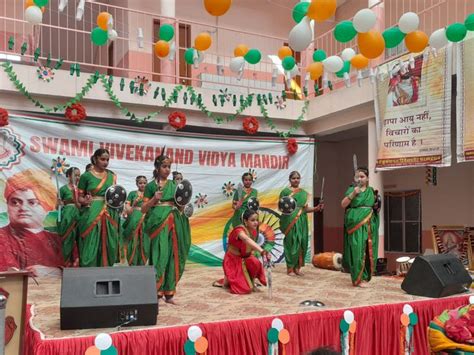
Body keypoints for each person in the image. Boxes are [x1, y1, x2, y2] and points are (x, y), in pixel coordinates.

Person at [142, 151, 191, 304]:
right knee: (159, 255)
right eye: (164, 166)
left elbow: (180, 206)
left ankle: (169, 293)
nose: (167, 170)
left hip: (174, 223)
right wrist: (153, 200)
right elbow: (144, 209)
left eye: (169, 167)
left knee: (173, 256)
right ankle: (155, 292)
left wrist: (183, 206)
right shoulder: (150, 186)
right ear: (157, 168)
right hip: (157, 222)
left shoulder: (174, 185)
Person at [0, 169, 63, 270]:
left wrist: (55, 272)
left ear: (46, 207)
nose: (23, 208)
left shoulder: (59, 242)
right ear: (7, 206)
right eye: (15, 202)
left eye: (32, 202)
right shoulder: (1, 238)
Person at [77, 148, 120, 267]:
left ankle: (106, 272)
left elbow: (115, 195)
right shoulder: (86, 176)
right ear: (95, 159)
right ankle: (89, 273)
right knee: (90, 242)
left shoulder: (112, 176)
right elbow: (79, 198)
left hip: (110, 211)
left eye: (107, 159)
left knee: (109, 243)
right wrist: (85, 201)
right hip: (92, 210)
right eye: (102, 159)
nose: (105, 162)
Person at [340, 167, 380, 287]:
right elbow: (343, 205)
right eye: (357, 176)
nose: (360, 179)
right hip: (356, 225)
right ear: (354, 178)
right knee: (357, 251)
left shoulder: (371, 191)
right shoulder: (352, 189)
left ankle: (365, 277)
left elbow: (376, 208)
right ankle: (357, 279)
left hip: (369, 225)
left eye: (362, 176)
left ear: (367, 178)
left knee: (368, 251)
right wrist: (353, 194)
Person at [280, 171, 323, 276]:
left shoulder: (303, 193)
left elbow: (305, 209)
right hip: (290, 219)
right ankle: (290, 268)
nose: (296, 180)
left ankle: (297, 268)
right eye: (293, 178)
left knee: (301, 243)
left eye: (298, 178)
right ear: (290, 179)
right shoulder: (285, 191)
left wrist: (316, 208)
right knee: (291, 243)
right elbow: (282, 206)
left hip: (302, 220)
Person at [222, 209, 270, 294]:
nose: (256, 222)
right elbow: (246, 239)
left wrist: (264, 254)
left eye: (256, 220)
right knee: (244, 290)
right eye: (252, 220)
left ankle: (251, 282)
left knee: (256, 263)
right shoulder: (239, 230)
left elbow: (251, 247)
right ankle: (228, 278)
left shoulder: (254, 232)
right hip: (233, 260)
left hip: (245, 257)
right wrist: (262, 251)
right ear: (245, 221)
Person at [122, 175, 148, 266]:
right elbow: (127, 206)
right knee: (133, 240)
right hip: (134, 218)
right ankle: (132, 262)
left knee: (144, 240)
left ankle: (142, 262)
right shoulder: (132, 193)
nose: (142, 185)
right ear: (136, 184)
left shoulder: (149, 194)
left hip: (145, 218)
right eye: (140, 183)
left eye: (144, 183)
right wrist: (132, 205)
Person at [57, 167, 81, 267]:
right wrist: (59, 203)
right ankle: (67, 265)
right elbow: (57, 206)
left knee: (81, 240)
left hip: (80, 215)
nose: (78, 177)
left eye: (79, 175)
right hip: (67, 216)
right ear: (68, 176)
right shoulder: (62, 189)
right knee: (67, 241)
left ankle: (79, 264)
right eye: (75, 175)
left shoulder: (82, 190)